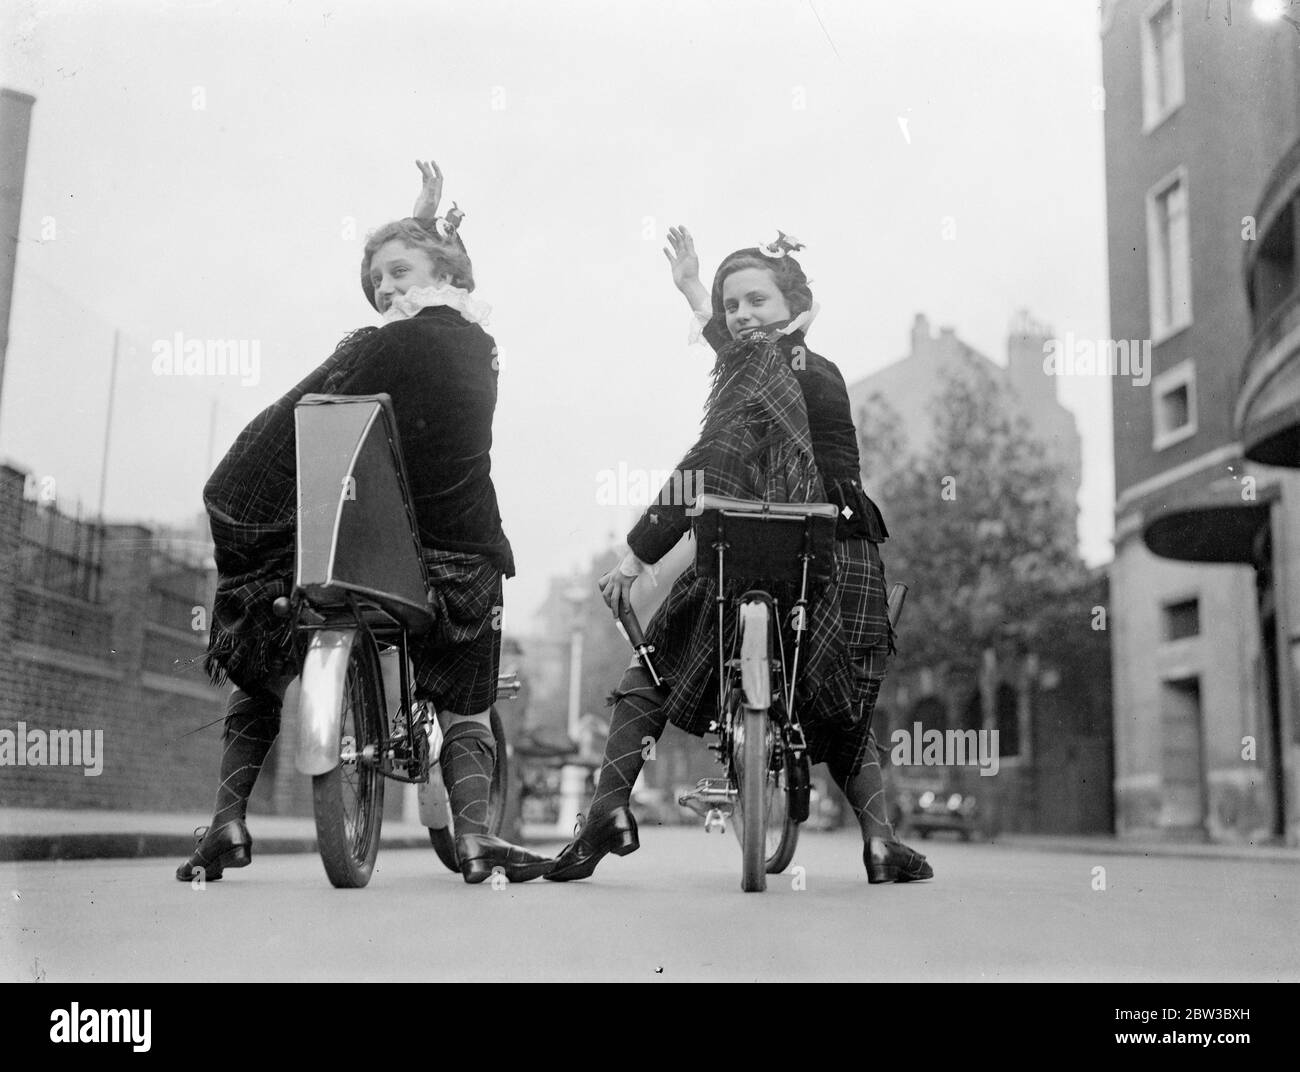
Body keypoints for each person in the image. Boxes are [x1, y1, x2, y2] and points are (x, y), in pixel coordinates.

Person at [177, 162, 552, 885]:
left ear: (439, 268)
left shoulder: (380, 347)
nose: (383, 289)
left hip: (369, 555)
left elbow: (302, 419)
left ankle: (226, 820)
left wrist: (241, 497)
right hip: (459, 558)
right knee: (466, 702)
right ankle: (476, 837)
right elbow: (440, 300)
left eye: (397, 272)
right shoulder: (479, 348)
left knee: (263, 636)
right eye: (375, 278)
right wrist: (421, 233)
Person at [547, 231, 932, 885]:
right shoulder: (807, 361)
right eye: (732, 305)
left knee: (656, 660)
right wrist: (695, 290)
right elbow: (732, 344)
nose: (741, 315)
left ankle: (606, 813)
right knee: (841, 698)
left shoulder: (759, 367)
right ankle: (880, 844)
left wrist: (639, 553)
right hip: (838, 546)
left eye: (757, 299)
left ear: (793, 303)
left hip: (771, 541)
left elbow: (713, 461)